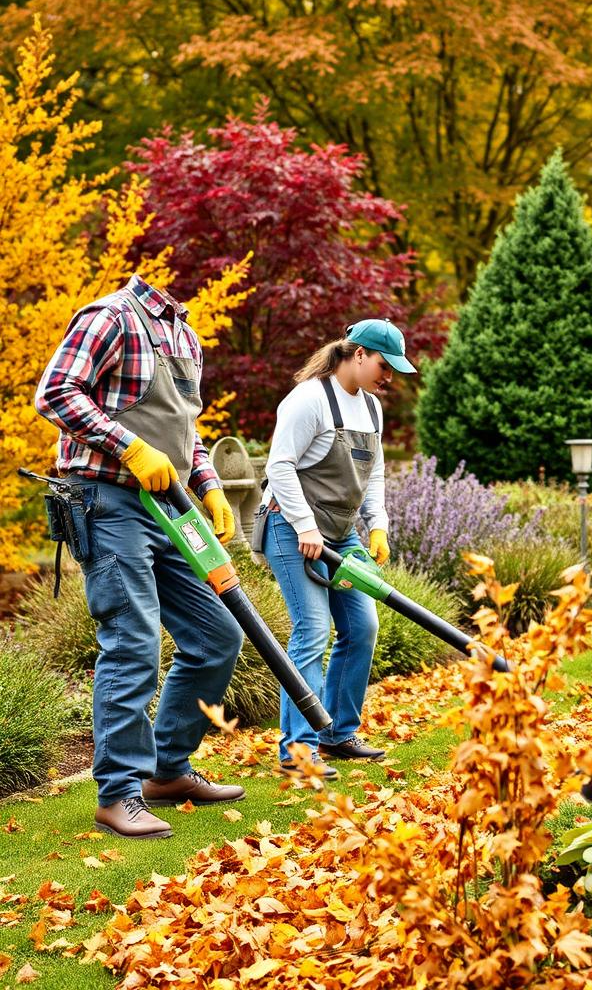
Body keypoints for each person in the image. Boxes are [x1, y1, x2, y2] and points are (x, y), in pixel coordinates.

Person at [36, 275, 246, 840]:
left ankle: (166, 771)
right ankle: (117, 793)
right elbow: (55, 393)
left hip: (169, 505)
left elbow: (183, 428)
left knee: (218, 636)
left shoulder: (186, 335)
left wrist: (208, 485)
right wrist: (128, 446)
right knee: (132, 643)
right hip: (107, 501)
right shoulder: (110, 317)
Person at [259, 319, 415, 777]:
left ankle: (337, 733)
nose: (389, 377)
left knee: (362, 627)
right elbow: (280, 466)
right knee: (312, 630)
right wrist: (305, 526)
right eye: (385, 366)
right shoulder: (309, 400)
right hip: (289, 527)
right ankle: (298, 751)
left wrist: (378, 526)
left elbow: (375, 472)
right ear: (358, 354)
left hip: (341, 533)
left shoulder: (371, 407)